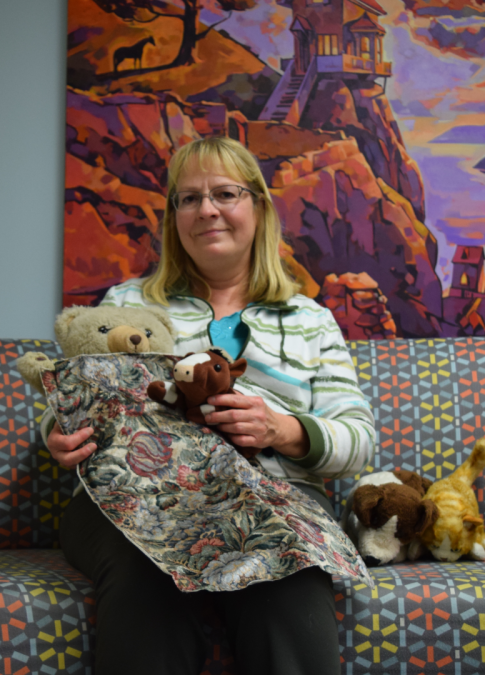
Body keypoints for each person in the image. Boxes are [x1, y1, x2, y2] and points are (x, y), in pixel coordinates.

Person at [47, 136, 375, 675]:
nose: (207, 210)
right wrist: (58, 437)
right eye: (189, 198)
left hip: (274, 501)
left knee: (288, 590)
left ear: (258, 207)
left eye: (225, 193)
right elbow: (69, 400)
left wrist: (283, 429)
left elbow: (357, 440)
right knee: (143, 572)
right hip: (137, 497)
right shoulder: (128, 304)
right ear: (174, 217)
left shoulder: (310, 320)